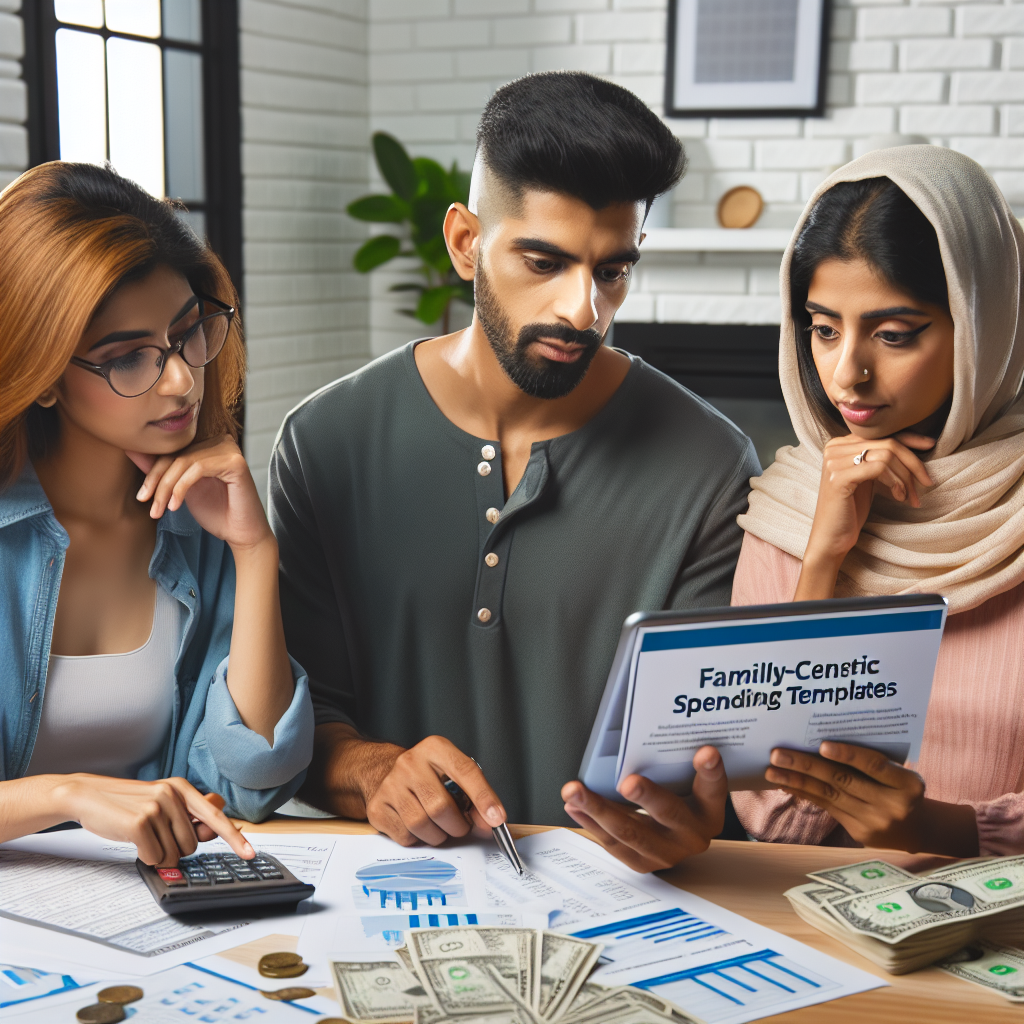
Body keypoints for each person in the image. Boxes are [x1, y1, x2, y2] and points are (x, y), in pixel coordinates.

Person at [270, 71, 759, 871]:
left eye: (612, 272)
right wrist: (371, 770)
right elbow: (297, 720)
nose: (583, 310)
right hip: (390, 897)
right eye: (544, 261)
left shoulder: (708, 463)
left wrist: (695, 814)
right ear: (466, 242)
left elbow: (706, 748)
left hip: (632, 912)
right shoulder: (325, 442)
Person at [0, 162, 314, 867]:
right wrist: (68, 795)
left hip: (150, 918)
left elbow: (254, 780)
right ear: (46, 375)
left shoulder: (197, 528)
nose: (180, 381)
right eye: (128, 358)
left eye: (187, 334)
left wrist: (254, 551)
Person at [728, 145, 1024, 856]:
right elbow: (770, 817)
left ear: (983, 325)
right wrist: (824, 558)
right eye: (824, 329)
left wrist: (948, 828)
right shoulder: (791, 511)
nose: (847, 374)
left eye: (893, 335)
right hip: (814, 924)